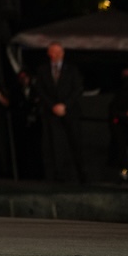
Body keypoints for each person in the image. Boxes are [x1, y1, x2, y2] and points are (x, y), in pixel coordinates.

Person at [33, 41, 86, 183]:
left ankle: (80, 175)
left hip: (70, 112)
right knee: (53, 145)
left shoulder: (72, 69)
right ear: (48, 53)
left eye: (58, 52)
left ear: (63, 53)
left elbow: (78, 89)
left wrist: (65, 105)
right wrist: (53, 106)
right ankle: (56, 176)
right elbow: (40, 90)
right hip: (51, 113)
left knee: (75, 143)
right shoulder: (42, 70)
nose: (56, 55)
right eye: (53, 52)